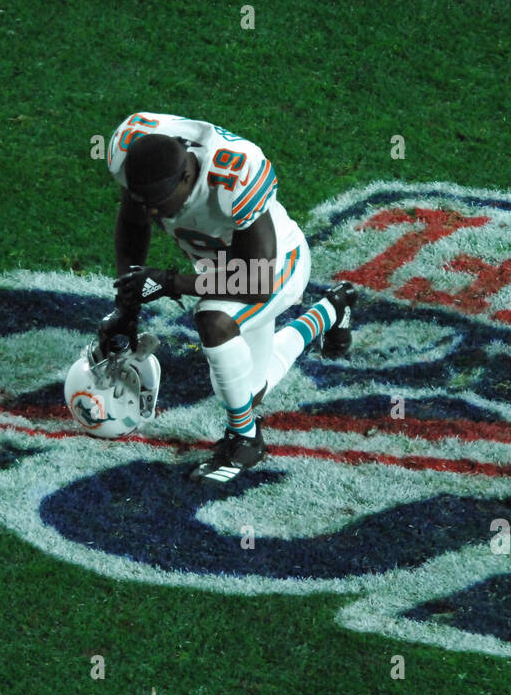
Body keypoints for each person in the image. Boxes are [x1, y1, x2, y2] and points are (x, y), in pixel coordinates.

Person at [100, 113, 357, 484]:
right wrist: (127, 308)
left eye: (159, 202)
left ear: (187, 177)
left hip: (278, 266)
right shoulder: (133, 149)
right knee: (246, 393)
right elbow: (133, 219)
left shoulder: (234, 173)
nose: (153, 212)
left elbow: (257, 281)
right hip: (222, 271)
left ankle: (245, 440)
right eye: (145, 202)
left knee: (213, 321)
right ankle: (332, 310)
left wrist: (170, 282)